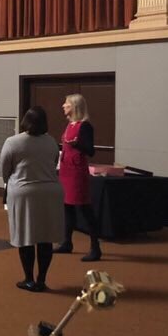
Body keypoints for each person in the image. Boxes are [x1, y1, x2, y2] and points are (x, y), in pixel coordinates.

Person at [0, 107, 65, 292]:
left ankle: (28, 278)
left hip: (24, 192)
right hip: (51, 191)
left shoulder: (13, 142)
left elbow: (5, 169)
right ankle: (41, 279)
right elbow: (53, 163)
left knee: (26, 236)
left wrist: (10, 183)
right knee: (45, 238)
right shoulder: (51, 141)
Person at [54, 94, 101, 262]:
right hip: (66, 170)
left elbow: (90, 150)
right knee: (67, 207)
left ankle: (95, 247)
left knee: (84, 209)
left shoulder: (85, 126)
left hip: (77, 172)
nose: (63, 106)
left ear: (74, 107)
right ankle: (67, 242)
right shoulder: (69, 125)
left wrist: (77, 144)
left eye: (66, 104)